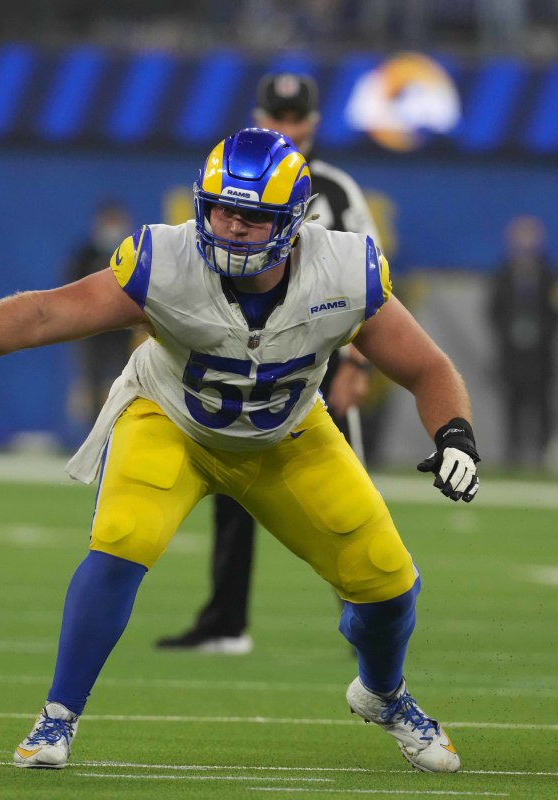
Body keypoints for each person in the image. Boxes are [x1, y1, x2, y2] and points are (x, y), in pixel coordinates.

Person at [0, 127, 479, 773]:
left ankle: (383, 694)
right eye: (221, 209)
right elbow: (50, 313)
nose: (233, 226)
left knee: (388, 583)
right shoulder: (165, 259)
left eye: (253, 215)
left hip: (287, 438)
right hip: (170, 420)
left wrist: (456, 434)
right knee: (122, 540)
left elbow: (427, 368)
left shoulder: (346, 271)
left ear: (294, 220)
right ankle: (56, 719)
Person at [155, 71, 377, 654]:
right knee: (231, 493)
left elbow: (371, 279)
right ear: (259, 116)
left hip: (317, 361)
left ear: (313, 123)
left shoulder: (333, 189)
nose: (285, 129)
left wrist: (357, 362)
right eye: (275, 118)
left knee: (344, 502)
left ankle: (367, 625)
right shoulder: (232, 183)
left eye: (295, 119)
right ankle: (227, 621)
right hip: (246, 363)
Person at [487, 215, 558, 469]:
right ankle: (513, 454)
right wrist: (510, 333)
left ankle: (543, 455)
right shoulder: (503, 274)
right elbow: (492, 310)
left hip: (541, 355)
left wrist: (540, 334)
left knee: (542, 405)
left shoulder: (550, 275)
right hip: (512, 354)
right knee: (512, 404)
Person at [64, 199, 136, 424]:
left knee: (126, 380)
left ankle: (120, 429)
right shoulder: (84, 256)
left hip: (122, 331)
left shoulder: (133, 253)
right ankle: (94, 431)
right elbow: (71, 289)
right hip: (92, 331)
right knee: (93, 382)